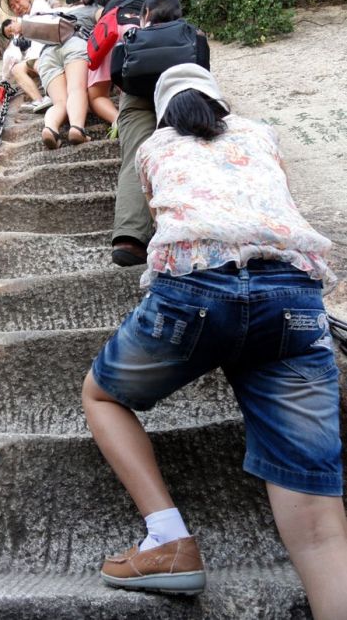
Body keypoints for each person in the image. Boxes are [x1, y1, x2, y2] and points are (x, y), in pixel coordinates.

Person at [82, 63, 347, 619]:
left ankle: (167, 536)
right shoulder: (261, 133)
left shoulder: (153, 147)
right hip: (292, 298)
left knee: (102, 395)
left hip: (195, 292)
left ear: (161, 111)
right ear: (219, 101)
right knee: (322, 531)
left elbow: (162, 214)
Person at [111, 0, 210, 267]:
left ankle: (129, 238)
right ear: (179, 13)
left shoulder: (131, 35)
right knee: (191, 149)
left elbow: (116, 72)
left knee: (135, 157)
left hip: (137, 99)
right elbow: (203, 69)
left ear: (145, 14)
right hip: (184, 95)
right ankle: (196, 231)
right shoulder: (194, 33)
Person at [35, 0, 110, 149]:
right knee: (76, 89)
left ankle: (50, 128)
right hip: (75, 43)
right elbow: (107, 27)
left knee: (60, 102)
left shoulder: (65, 11)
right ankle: (76, 128)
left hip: (47, 53)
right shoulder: (96, 10)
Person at [87, 0, 152, 127]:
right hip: (144, 33)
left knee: (97, 96)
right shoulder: (150, 3)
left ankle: (118, 120)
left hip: (113, 33)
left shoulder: (111, 5)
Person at [0, 0, 52, 113]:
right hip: (35, 57)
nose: (16, 7)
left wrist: (22, 27)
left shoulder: (38, 5)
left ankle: (53, 93)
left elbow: (44, 24)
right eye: (12, 6)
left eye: (17, 1)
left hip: (48, 51)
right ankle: (39, 100)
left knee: (35, 63)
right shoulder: (25, 20)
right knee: (17, 69)